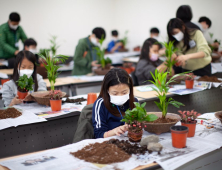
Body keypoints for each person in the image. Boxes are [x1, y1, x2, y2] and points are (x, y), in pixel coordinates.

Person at [92, 68, 138, 138]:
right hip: (109, 143)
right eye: (115, 93)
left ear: (130, 89)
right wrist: (114, 131)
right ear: (107, 90)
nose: (120, 96)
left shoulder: (134, 102)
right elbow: (99, 134)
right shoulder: (101, 104)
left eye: (124, 92)